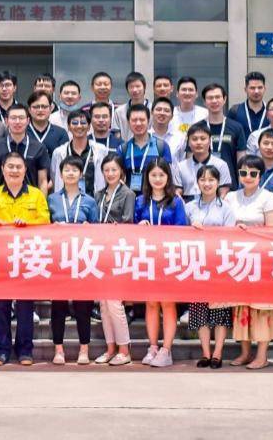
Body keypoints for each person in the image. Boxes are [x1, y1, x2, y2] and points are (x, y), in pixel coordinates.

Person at [0, 153, 50, 366]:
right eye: (10, 166)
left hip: (27, 258)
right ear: (2, 169)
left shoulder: (36, 195)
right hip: (2, 259)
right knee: (1, 306)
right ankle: (1, 351)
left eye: (18, 167)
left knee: (25, 307)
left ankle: (25, 351)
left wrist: (28, 223)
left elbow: (45, 221)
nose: (14, 170)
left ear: (25, 170)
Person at [224, 155, 273, 369]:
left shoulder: (269, 198)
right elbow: (223, 226)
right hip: (238, 261)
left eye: (253, 173)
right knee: (241, 308)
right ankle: (245, 352)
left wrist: (249, 232)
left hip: (262, 262)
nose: (248, 176)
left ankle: (262, 355)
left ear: (260, 175)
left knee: (262, 309)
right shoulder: (230, 197)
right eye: (243, 172)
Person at [134, 158, 188, 368]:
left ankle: (166, 349)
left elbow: (182, 230)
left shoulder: (176, 201)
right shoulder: (140, 201)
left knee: (167, 303)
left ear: (168, 177)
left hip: (168, 260)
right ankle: (153, 347)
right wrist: (139, 226)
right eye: (153, 175)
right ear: (147, 177)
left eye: (161, 175)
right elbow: (131, 230)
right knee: (151, 303)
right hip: (147, 259)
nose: (157, 179)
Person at [47, 157, 100, 366]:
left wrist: (89, 228)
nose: (70, 173)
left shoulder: (90, 201)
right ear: (60, 174)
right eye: (66, 170)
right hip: (58, 259)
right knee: (58, 306)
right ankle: (58, 349)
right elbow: (44, 227)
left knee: (83, 306)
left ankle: (84, 348)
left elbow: (97, 231)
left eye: (74, 170)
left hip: (82, 258)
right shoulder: (52, 199)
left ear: (81, 174)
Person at [186, 164, 237, 369]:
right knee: (200, 311)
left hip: (219, 266)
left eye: (211, 180)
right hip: (196, 265)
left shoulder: (226, 208)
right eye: (203, 179)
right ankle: (206, 353)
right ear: (197, 182)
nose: (207, 184)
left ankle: (218, 353)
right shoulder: (190, 207)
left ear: (218, 183)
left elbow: (230, 237)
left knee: (220, 313)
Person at [92, 153, 135, 366]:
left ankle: (124, 350)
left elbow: (128, 222)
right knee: (103, 303)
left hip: (118, 252)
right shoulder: (98, 194)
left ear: (121, 172)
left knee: (115, 303)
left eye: (114, 170)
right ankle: (110, 348)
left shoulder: (128, 194)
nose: (110, 174)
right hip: (100, 252)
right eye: (106, 170)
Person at [0, 104, 50, 190]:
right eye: (13, 118)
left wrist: (41, 199)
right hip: (2, 197)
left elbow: (43, 181)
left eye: (21, 118)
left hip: (31, 197)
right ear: (6, 121)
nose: (17, 121)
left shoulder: (39, 148)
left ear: (28, 121)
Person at [194, 83, 247, 183]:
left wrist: (242, 185)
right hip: (203, 184)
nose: (214, 101)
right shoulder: (196, 128)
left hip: (230, 185)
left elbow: (242, 161)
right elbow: (190, 160)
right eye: (210, 98)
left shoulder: (237, 127)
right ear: (204, 102)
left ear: (224, 99)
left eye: (217, 97)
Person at [49, 110, 108, 196]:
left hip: (94, 200)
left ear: (89, 127)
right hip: (66, 201)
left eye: (83, 122)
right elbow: (55, 177)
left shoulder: (101, 150)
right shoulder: (59, 153)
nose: (79, 126)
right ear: (68, 127)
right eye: (75, 123)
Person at [119, 104, 171, 193]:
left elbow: (168, 176)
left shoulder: (161, 146)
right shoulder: (123, 149)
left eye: (142, 120)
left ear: (149, 121)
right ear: (128, 122)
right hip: (130, 199)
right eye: (134, 120)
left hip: (155, 198)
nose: (138, 123)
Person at [171, 124, 232, 201]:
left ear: (210, 141)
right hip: (187, 204)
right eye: (194, 139)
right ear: (188, 142)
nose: (199, 142)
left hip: (213, 203)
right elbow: (177, 191)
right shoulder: (180, 167)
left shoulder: (221, 165)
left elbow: (223, 191)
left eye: (203, 139)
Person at [26, 90, 69, 154]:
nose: (40, 110)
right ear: (29, 110)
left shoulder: (61, 133)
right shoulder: (22, 132)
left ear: (51, 108)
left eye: (44, 107)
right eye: (36, 107)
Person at [168, 76, 209, 145]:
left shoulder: (205, 113)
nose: (187, 93)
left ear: (196, 94)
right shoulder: (169, 113)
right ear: (177, 94)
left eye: (190, 90)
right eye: (184, 90)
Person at [113, 72, 150, 142]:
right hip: (126, 147)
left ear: (144, 87)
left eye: (138, 86)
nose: (135, 90)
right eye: (131, 87)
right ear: (127, 89)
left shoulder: (153, 110)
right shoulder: (119, 111)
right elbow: (116, 135)